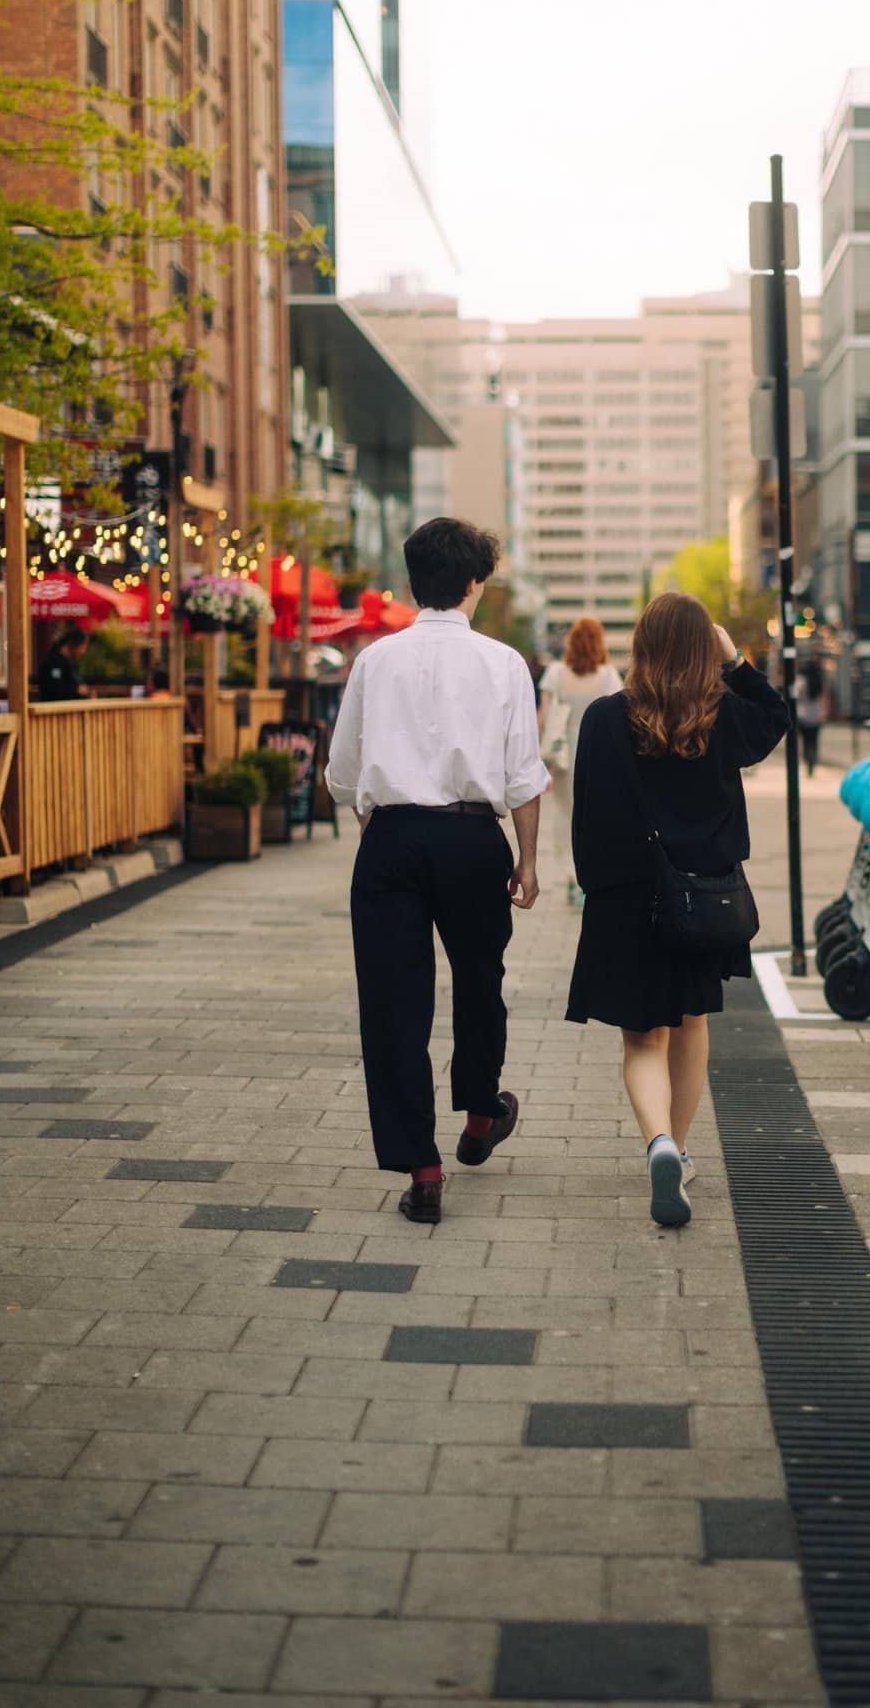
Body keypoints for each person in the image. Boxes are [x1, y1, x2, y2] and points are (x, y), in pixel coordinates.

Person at [326, 517, 550, 1228]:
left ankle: (422, 1169)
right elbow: (522, 777)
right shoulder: (505, 663)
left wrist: (379, 819)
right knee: (480, 981)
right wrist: (529, 859)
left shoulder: (374, 661)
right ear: (473, 583)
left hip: (392, 839)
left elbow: (340, 774)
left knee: (394, 1006)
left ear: (412, 581)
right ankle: (481, 1116)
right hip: (472, 837)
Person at [566, 592, 787, 1228]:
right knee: (691, 1025)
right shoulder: (723, 717)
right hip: (702, 901)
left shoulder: (606, 718)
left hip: (629, 897)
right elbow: (778, 716)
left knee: (642, 1038)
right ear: (701, 650)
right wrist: (733, 659)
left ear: (640, 645)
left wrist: (597, 892)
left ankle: (657, 1142)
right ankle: (681, 1151)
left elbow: (589, 814)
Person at [537, 617, 622, 906]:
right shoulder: (609, 675)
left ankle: (571, 878)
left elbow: (544, 718)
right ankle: (590, 878)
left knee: (565, 814)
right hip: (598, 756)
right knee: (595, 817)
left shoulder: (556, 673)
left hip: (563, 756)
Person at [794, 658, 827, 776]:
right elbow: (823, 698)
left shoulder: (801, 680)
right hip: (816, 715)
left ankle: (807, 758)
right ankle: (812, 760)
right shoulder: (818, 680)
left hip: (802, 714)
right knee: (813, 740)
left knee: (804, 740)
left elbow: (794, 695)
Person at [38, 627, 88, 702]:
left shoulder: (71, 664)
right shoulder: (54, 663)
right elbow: (55, 688)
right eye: (82, 647)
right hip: (53, 709)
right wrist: (76, 691)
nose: (83, 652)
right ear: (74, 645)